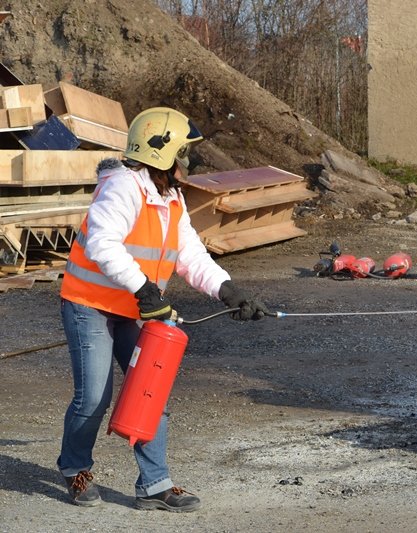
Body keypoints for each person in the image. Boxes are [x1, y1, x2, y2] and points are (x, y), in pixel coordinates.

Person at [58, 107, 266, 512]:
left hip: (137, 308)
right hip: (90, 305)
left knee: (151, 390)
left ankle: (154, 485)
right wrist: (145, 291)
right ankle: (75, 468)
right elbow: (102, 243)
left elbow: (190, 255)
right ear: (162, 153)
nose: (188, 162)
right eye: (183, 153)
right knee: (94, 398)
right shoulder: (122, 187)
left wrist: (228, 291)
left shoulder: (171, 198)